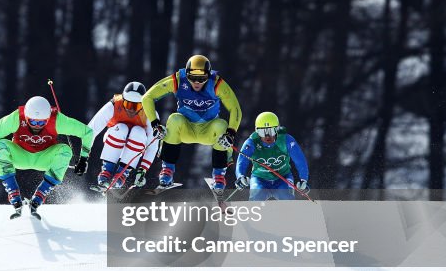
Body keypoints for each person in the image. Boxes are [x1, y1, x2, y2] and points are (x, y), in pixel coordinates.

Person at [142, 54, 243, 193]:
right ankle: (167, 170)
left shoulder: (216, 83)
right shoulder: (178, 80)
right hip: (186, 128)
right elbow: (147, 97)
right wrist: (155, 124)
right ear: (186, 74)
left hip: (209, 130)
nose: (197, 82)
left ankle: (219, 176)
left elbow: (235, 109)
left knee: (221, 125)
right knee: (174, 119)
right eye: (192, 77)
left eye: (202, 78)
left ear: (208, 75)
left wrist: (231, 133)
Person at [0, 95, 93, 215]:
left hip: (44, 158)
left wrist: (83, 159)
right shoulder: (17, 117)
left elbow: (87, 132)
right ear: (26, 117)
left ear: (48, 118)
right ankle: (13, 191)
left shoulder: (57, 120)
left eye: (42, 122)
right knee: (1, 145)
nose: (37, 126)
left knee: (65, 150)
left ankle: (41, 193)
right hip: (20, 156)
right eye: (32, 121)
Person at [87, 81, 159, 190]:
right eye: (128, 104)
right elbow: (92, 129)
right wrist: (84, 156)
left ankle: (121, 176)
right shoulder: (114, 105)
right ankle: (106, 172)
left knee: (138, 131)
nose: (131, 109)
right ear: (123, 100)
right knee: (122, 128)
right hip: (114, 138)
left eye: (136, 106)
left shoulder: (150, 113)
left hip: (136, 147)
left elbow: (153, 144)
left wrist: (142, 170)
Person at [235, 111, 310, 200]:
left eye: (271, 131)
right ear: (256, 131)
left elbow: (300, 160)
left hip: (283, 178)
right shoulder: (251, 142)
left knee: (287, 200)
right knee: (256, 199)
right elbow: (242, 162)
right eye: (262, 132)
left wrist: (303, 179)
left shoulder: (286, 140)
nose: (267, 136)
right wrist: (240, 176)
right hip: (260, 179)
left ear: (278, 129)